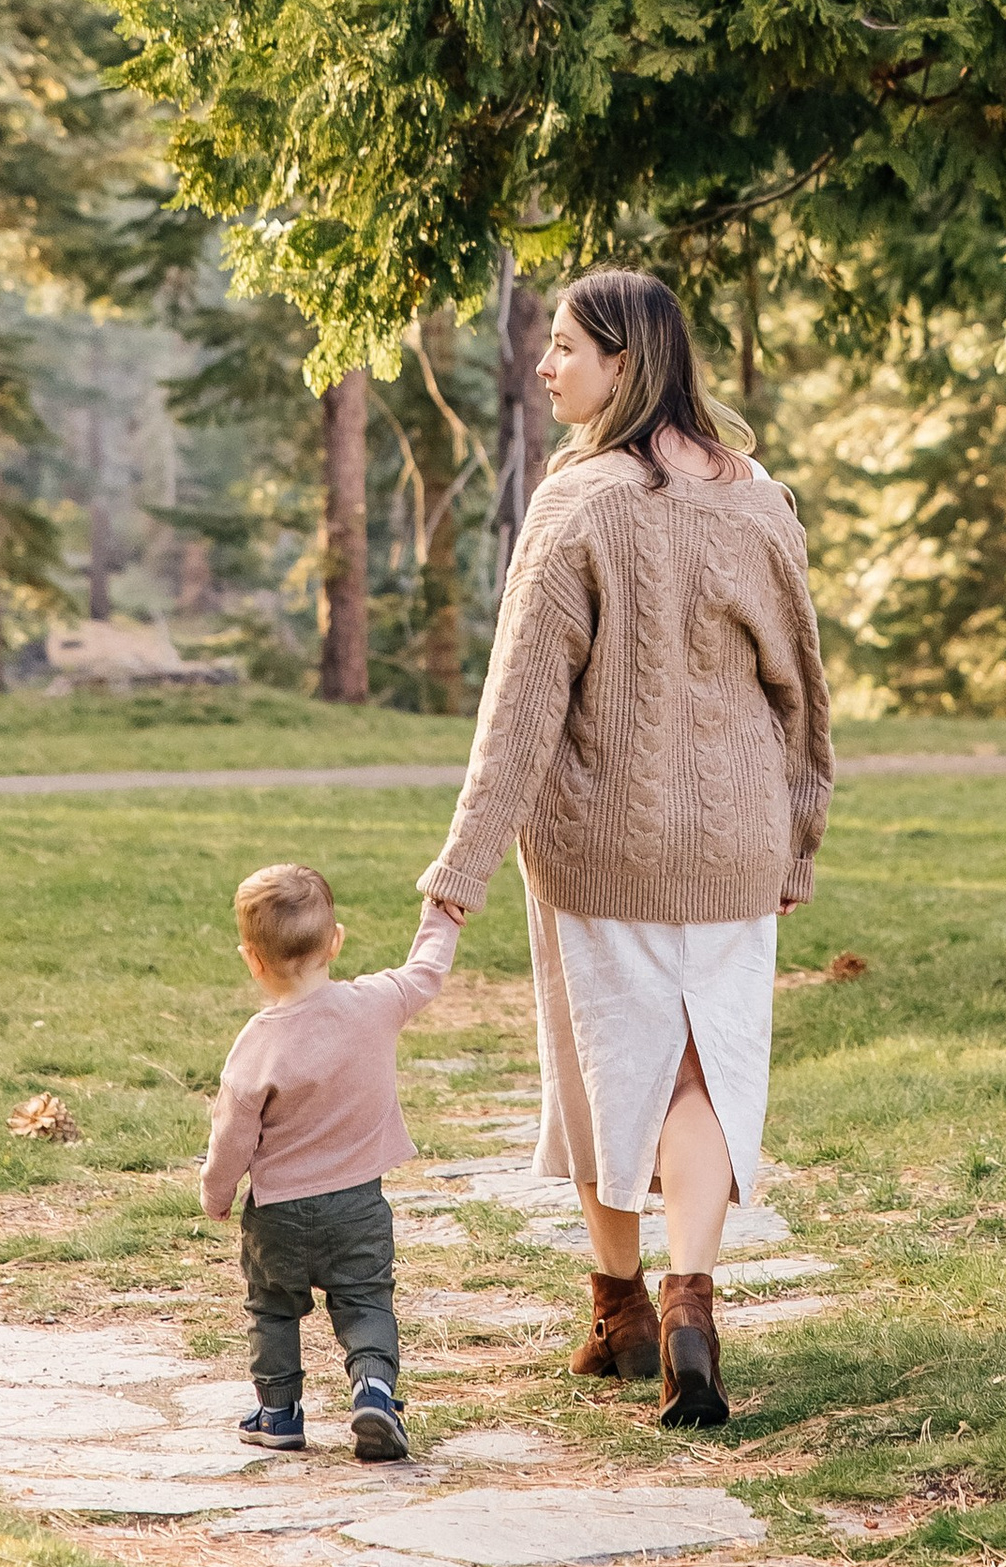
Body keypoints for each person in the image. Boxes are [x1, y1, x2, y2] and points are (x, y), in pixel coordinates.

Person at [417, 265, 833, 1428]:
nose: (545, 366)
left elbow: (517, 710)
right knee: (701, 1070)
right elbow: (801, 689)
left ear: (623, 362)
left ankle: (619, 1304)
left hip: (604, 842)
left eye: (563, 347)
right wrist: (796, 835)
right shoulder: (761, 498)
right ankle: (686, 1301)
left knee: (608, 1067)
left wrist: (456, 879)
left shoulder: (579, 501)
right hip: (737, 841)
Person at [199, 858, 459, 1461]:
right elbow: (426, 971)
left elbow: (232, 1134)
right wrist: (442, 911)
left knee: (271, 1306)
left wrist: (215, 1195)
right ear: (335, 942)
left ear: (252, 960)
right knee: (366, 1300)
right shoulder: (376, 1003)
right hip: (358, 1207)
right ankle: (372, 1389)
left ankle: (279, 1412)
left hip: (278, 1215)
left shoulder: (256, 1043)